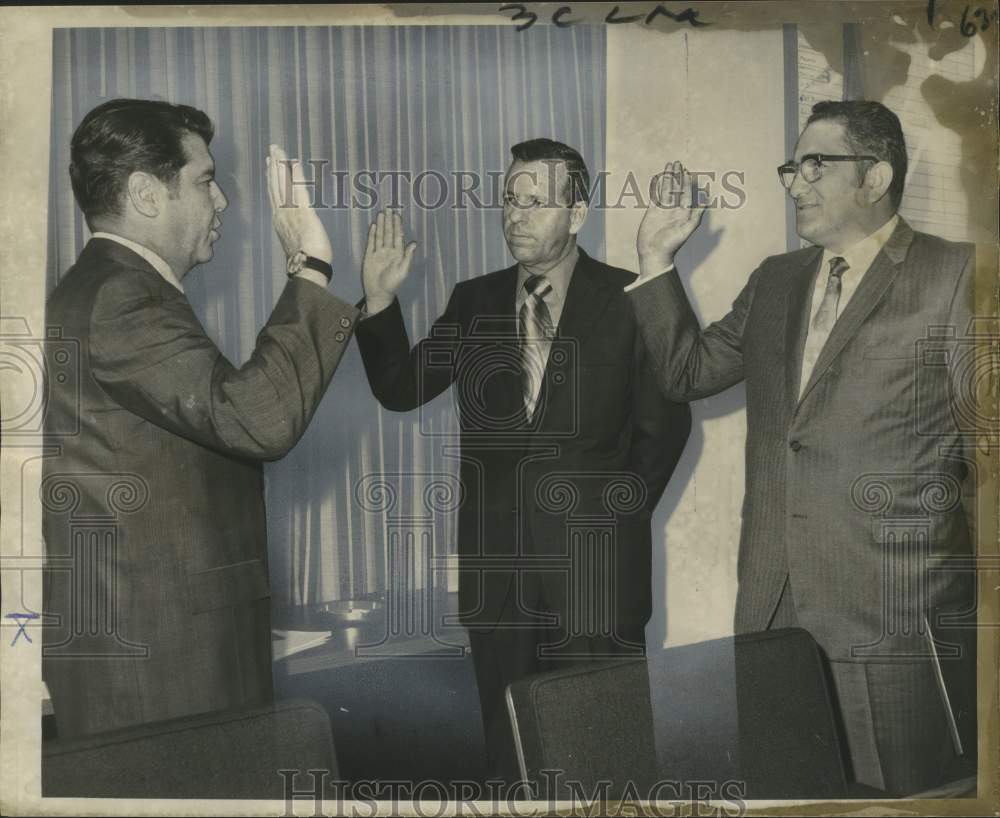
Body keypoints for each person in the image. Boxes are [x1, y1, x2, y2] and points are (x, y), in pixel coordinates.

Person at [629, 100, 976, 795]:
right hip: (771, 605)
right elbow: (684, 373)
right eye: (794, 166)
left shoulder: (957, 275)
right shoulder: (777, 279)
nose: (795, 183)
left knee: (898, 799)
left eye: (817, 164)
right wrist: (655, 258)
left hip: (891, 619)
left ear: (875, 178)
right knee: (784, 792)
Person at [355, 138, 691, 780]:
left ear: (579, 211)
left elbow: (666, 427)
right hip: (498, 575)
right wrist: (379, 302)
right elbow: (401, 389)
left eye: (536, 202)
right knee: (512, 754)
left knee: (607, 751)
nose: (516, 214)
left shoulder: (632, 298)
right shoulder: (473, 300)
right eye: (510, 199)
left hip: (598, 572)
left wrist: (611, 517)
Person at [42, 98, 359, 738]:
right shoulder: (122, 297)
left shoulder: (104, 287)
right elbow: (255, 418)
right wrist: (313, 264)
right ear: (146, 194)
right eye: (206, 180)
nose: (222, 203)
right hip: (163, 664)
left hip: (153, 648)